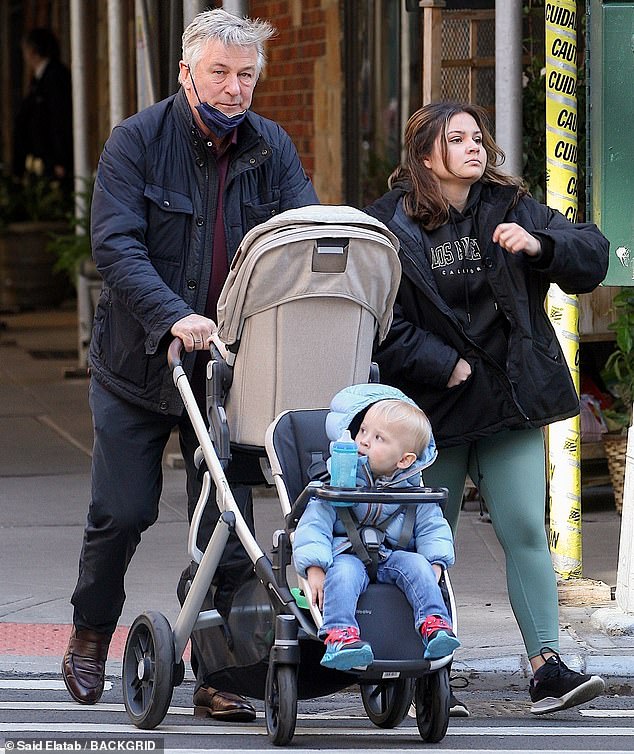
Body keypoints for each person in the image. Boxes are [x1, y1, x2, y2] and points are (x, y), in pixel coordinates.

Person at [61, 9, 318, 721]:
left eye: (245, 76)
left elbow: (299, 235)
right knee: (122, 510)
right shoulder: (136, 143)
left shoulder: (272, 147)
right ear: (186, 72)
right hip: (141, 364)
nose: (235, 88)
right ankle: (89, 632)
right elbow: (116, 247)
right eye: (220, 73)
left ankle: (218, 672)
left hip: (231, 372)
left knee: (228, 530)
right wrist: (174, 313)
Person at [364, 101, 609, 715]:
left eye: (479, 137)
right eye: (458, 139)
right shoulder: (386, 225)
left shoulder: (509, 207)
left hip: (508, 399)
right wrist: (437, 362)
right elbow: (373, 318)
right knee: (420, 543)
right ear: (426, 156)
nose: (475, 147)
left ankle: (547, 666)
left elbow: (591, 251)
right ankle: (424, 669)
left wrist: (542, 243)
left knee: (525, 528)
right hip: (429, 415)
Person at [292, 383, 459, 672]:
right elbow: (313, 525)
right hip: (346, 554)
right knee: (342, 574)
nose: (365, 441)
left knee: (419, 565)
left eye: (379, 437)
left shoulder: (411, 488)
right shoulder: (339, 478)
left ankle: (435, 625)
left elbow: (433, 526)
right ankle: (340, 636)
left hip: (392, 556)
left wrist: (436, 562)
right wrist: (314, 567)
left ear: (405, 459)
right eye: (363, 431)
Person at [13, 28, 73, 190]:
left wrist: (60, 159)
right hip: (44, 159)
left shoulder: (54, 77)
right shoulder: (41, 78)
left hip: (53, 160)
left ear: (33, 51)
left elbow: (60, 118)